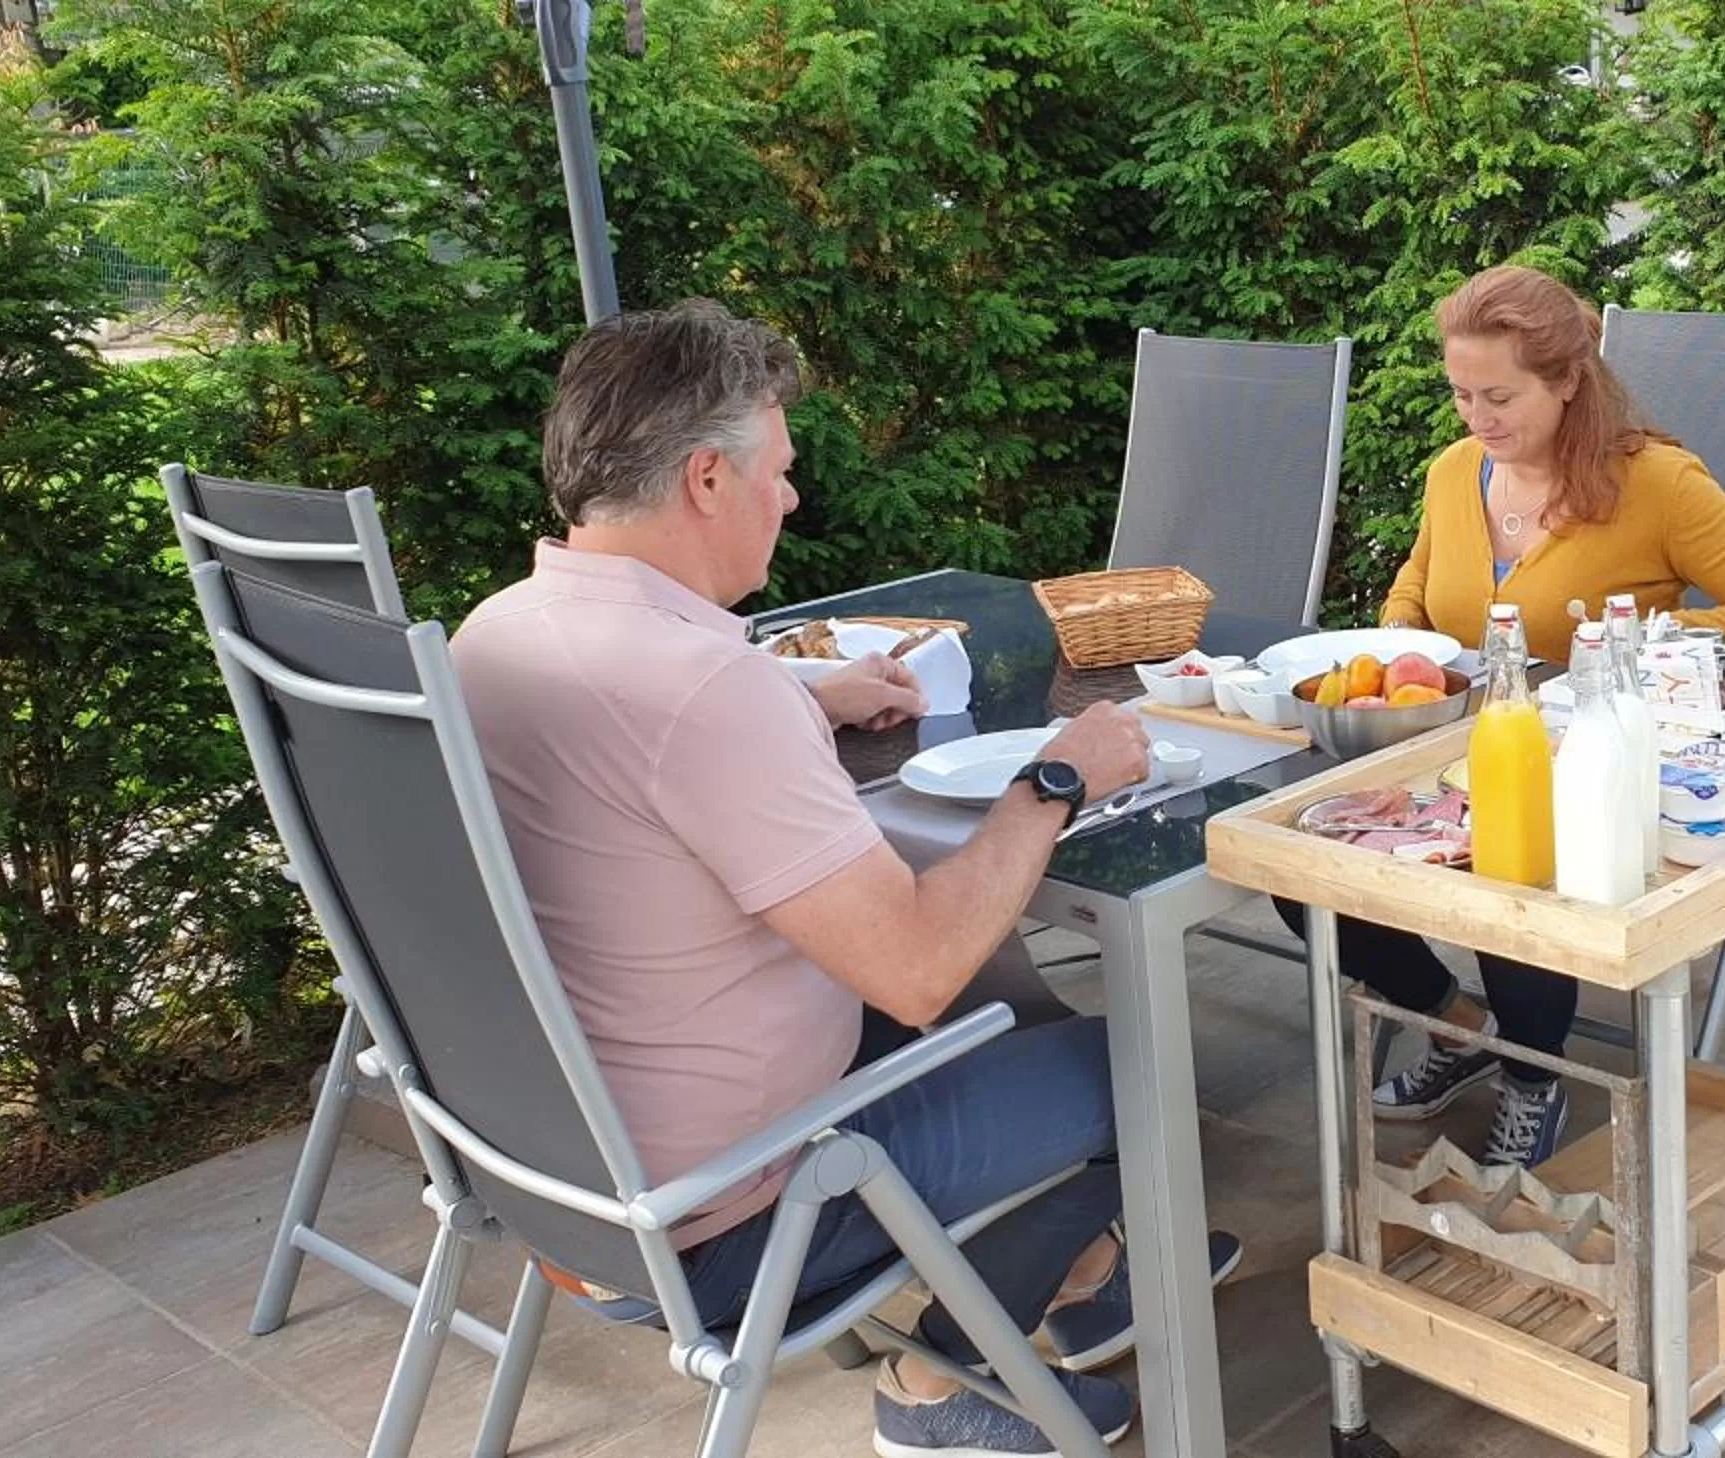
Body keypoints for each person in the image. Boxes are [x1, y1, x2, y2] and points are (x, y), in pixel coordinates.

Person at [453, 299, 1237, 1455]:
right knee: (1147, 1062)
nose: (793, 496)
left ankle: (1077, 1262)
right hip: (720, 1214)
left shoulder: (498, 633)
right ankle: (950, 1382)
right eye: (779, 470)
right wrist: (1059, 777)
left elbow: (650, 769)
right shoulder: (707, 693)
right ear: (708, 480)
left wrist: (796, 694)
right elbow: (915, 966)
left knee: (1006, 999)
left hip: (559, 1184)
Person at [1282, 265, 1725, 1170]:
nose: (1477, 419)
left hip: (1587, 757)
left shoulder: (1658, 483)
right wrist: (1397, 642)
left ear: (1568, 381)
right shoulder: (1455, 474)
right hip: (1445, 745)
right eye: (1460, 394)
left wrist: (1625, 636)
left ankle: (1535, 1075)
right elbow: (1419, 582)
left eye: (1499, 395)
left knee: (1520, 873)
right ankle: (1462, 1026)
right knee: (1301, 860)